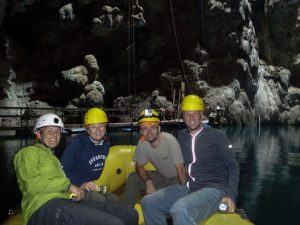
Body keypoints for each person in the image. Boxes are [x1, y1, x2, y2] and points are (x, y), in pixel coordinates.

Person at [14, 113, 138, 225]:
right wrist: (69, 186)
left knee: (130, 214)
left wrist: (74, 191)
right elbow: (32, 185)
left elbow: (58, 183)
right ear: (38, 134)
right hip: (42, 207)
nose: (54, 135)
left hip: (66, 200)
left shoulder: (53, 159)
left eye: (57, 131)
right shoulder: (28, 152)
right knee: (113, 222)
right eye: (49, 131)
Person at [141, 95, 239, 225]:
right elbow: (160, 138)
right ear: (183, 116)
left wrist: (231, 195)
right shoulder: (181, 135)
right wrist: (145, 137)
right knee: (148, 202)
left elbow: (233, 166)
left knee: (180, 209)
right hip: (190, 187)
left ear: (202, 115)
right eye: (187, 114)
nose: (191, 118)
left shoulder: (217, 136)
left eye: (195, 114)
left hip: (214, 189)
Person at [122, 109, 186, 207]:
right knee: (133, 178)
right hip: (161, 176)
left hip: (176, 178)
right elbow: (138, 166)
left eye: (152, 127)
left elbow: (180, 170)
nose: (149, 132)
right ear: (141, 131)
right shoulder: (142, 144)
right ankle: (125, 211)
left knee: (156, 197)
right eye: (145, 128)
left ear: (159, 129)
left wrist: (186, 192)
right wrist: (148, 181)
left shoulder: (170, 141)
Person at [60, 107, 119, 202]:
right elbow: (62, 169)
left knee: (117, 201)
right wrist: (80, 183)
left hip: (91, 185)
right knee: (101, 201)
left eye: (100, 126)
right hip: (74, 186)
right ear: (87, 130)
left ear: (105, 127)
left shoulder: (106, 144)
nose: (98, 130)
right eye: (93, 127)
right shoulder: (77, 145)